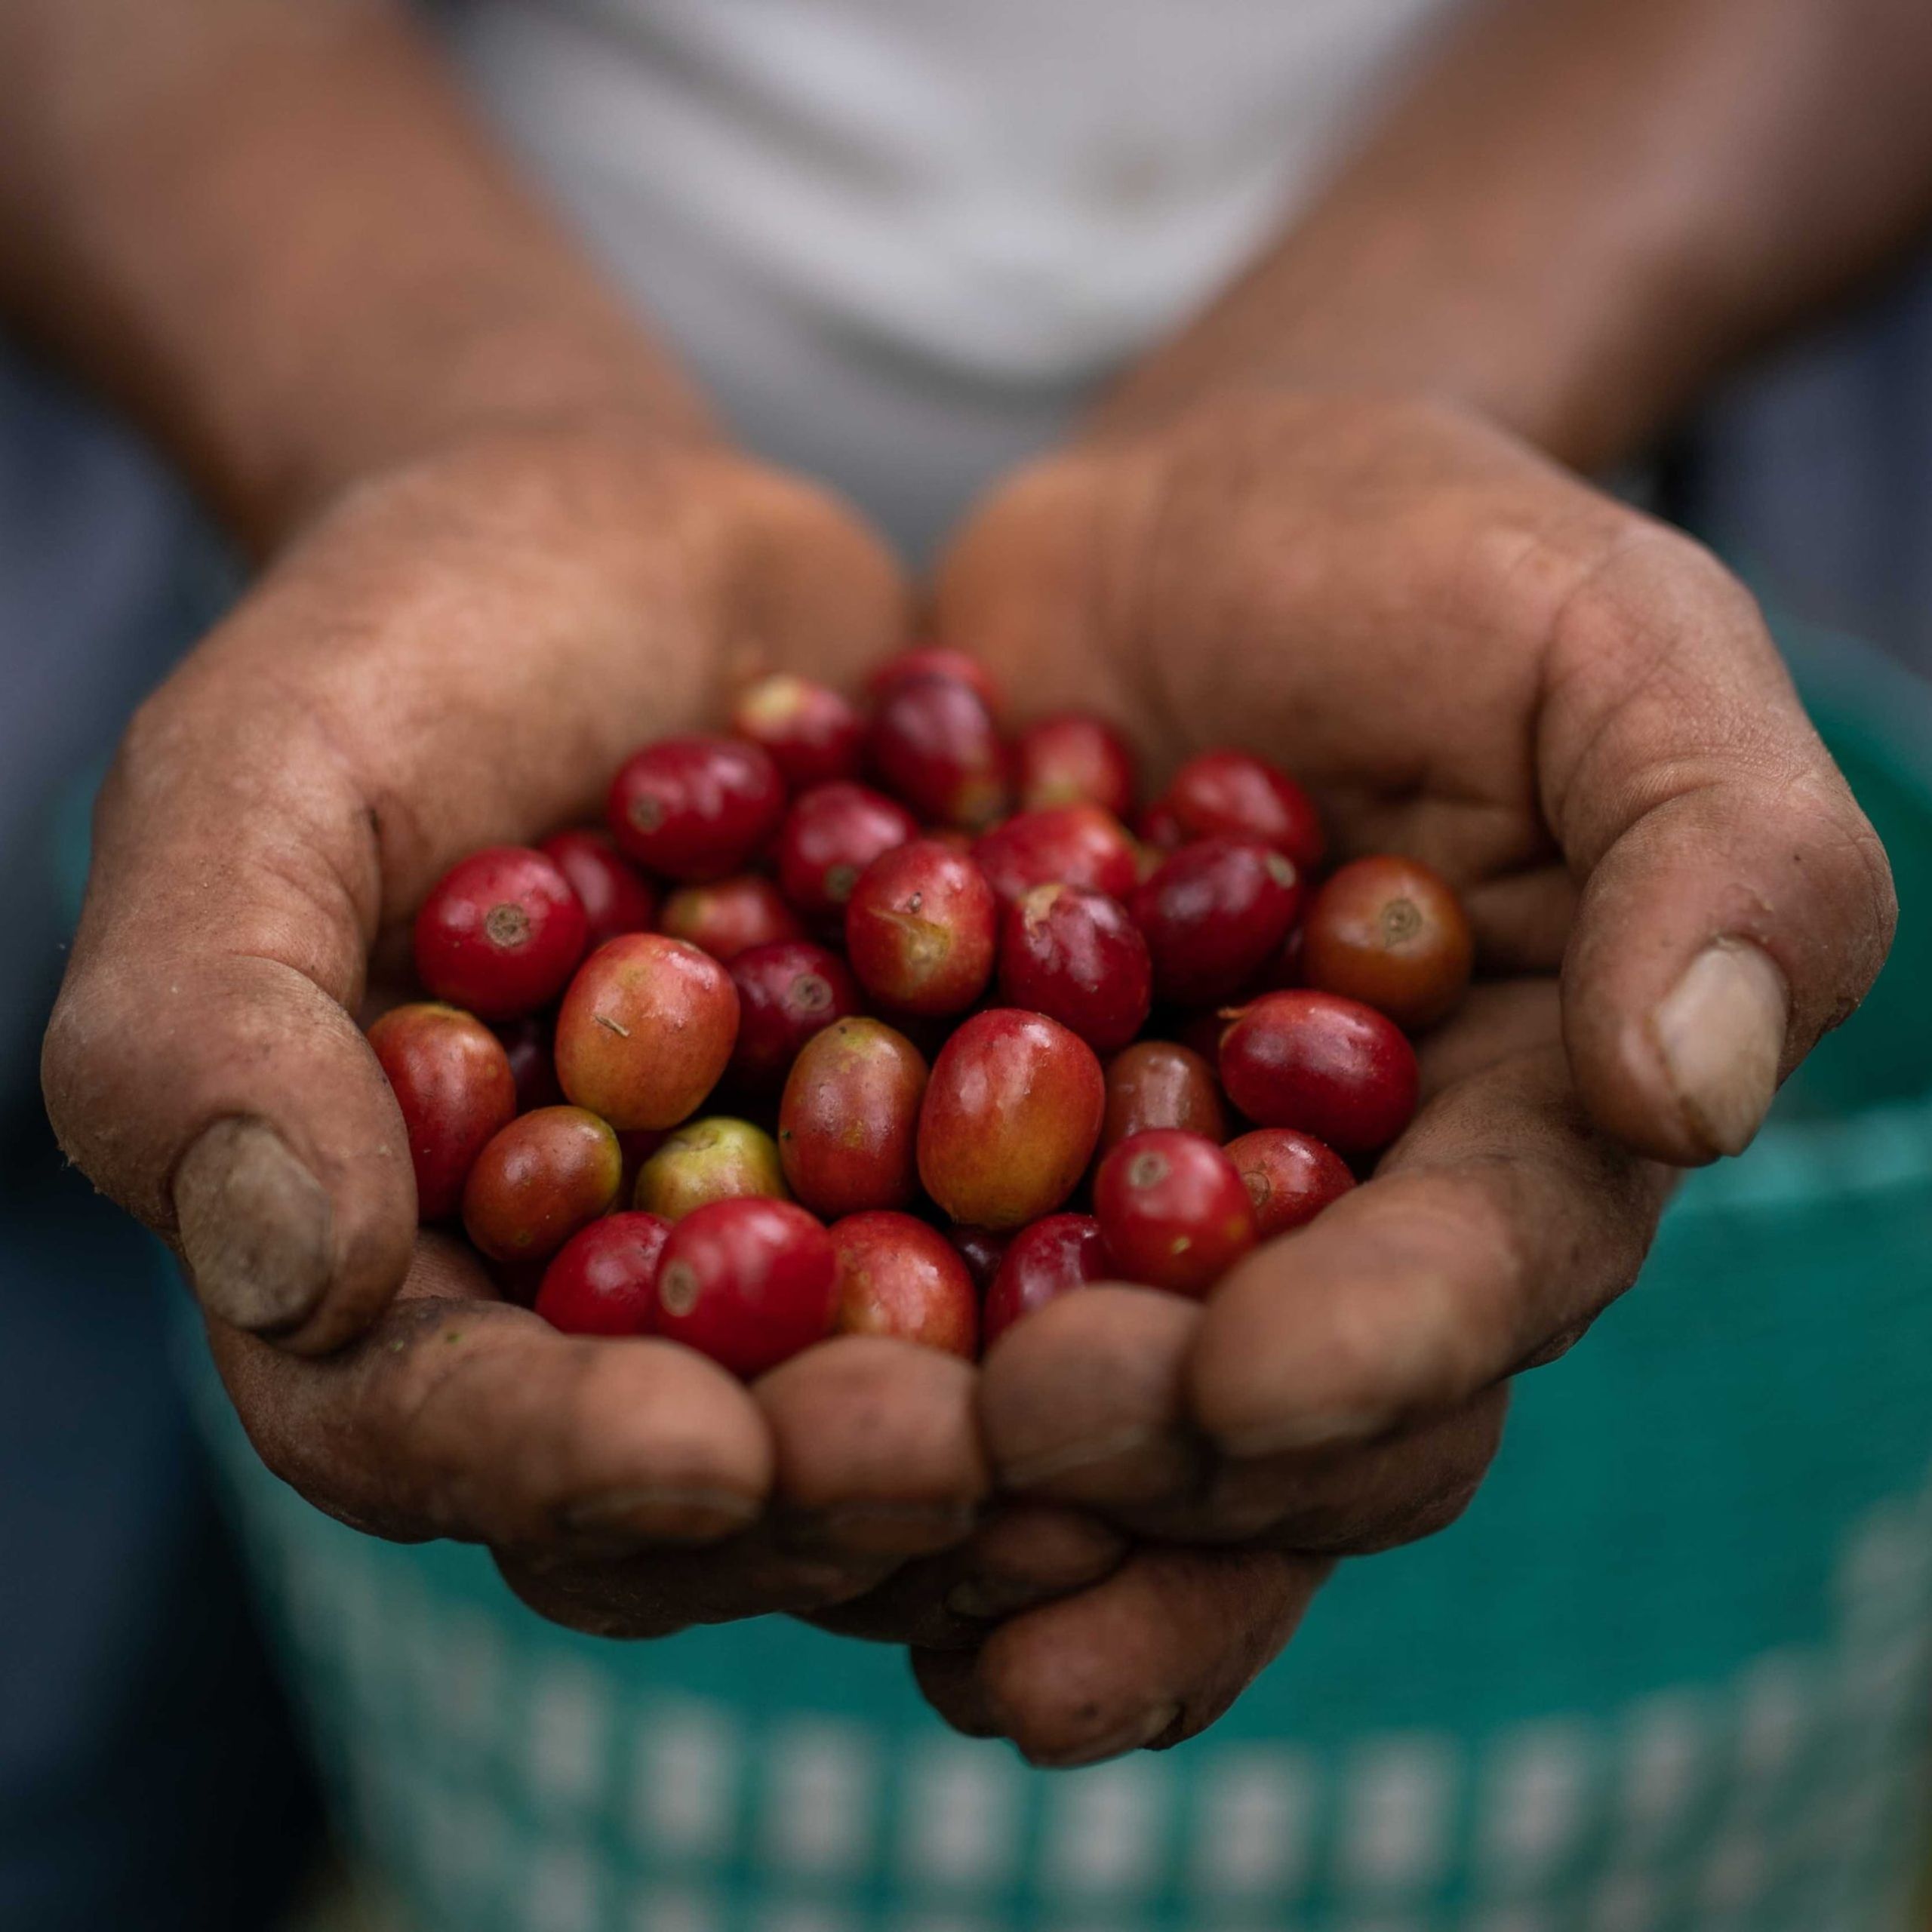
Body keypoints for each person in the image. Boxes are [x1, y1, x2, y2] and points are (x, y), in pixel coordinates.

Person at [5, 0, 1931, 1918]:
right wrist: (433, 419)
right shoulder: (788, 1011)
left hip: (1488, 466)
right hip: (358, 359)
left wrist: (1403, 376)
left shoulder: (1060, 986)